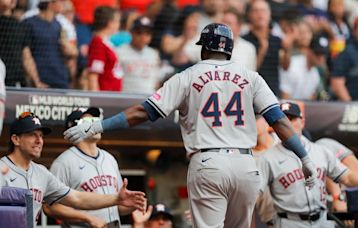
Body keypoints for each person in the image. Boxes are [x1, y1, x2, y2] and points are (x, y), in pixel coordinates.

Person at [64, 23, 318, 228]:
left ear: (203, 49)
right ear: (229, 49)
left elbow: (143, 111)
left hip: (208, 164)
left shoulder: (187, 76)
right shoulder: (251, 77)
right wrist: (305, 157)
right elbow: (279, 120)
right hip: (246, 165)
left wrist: (99, 126)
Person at [257, 101, 358, 228]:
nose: (288, 125)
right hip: (289, 221)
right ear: (275, 127)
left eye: (292, 119)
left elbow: (347, 177)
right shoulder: (268, 158)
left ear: (302, 122)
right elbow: (253, 195)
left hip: (322, 220)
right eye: (283, 121)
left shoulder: (321, 151)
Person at [0, 111, 146, 225]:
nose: (39, 141)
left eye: (41, 136)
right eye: (32, 135)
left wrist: (116, 199)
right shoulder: (2, 169)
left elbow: (76, 198)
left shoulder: (42, 173)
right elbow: (50, 208)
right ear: (16, 139)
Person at [42, 107, 138, 227]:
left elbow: (117, 207)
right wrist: (87, 218)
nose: (95, 125)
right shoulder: (63, 163)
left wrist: (133, 205)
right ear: (74, 128)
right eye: (88, 122)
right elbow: (49, 207)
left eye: (96, 120)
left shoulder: (109, 158)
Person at [243, 0, 292, 97]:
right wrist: (262, 51)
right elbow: (247, 73)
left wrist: (287, 50)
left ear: (269, 15)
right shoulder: (244, 41)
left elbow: (285, 67)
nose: (260, 14)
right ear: (249, 15)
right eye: (256, 11)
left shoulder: (277, 40)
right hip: (253, 93)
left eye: (263, 11)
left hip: (273, 91)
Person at [23, 0, 76, 89]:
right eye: (60, 2)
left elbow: (70, 52)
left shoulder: (59, 24)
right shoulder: (29, 23)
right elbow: (26, 55)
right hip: (41, 78)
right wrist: (36, 81)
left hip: (60, 78)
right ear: (50, 4)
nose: (63, 4)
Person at [116, 16, 162, 94]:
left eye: (147, 33)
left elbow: (156, 81)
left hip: (148, 98)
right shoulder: (119, 51)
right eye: (139, 32)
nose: (143, 37)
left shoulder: (153, 54)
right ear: (131, 32)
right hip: (126, 96)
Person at [86, 6, 123, 91]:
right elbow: (93, 75)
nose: (119, 25)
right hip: (105, 98)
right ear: (110, 23)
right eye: (117, 21)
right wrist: (97, 101)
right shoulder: (98, 43)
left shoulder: (106, 42)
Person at [222, 7, 257, 71]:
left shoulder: (249, 48)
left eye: (229, 23)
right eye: (223, 22)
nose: (224, 26)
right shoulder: (209, 44)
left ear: (238, 27)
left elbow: (251, 76)